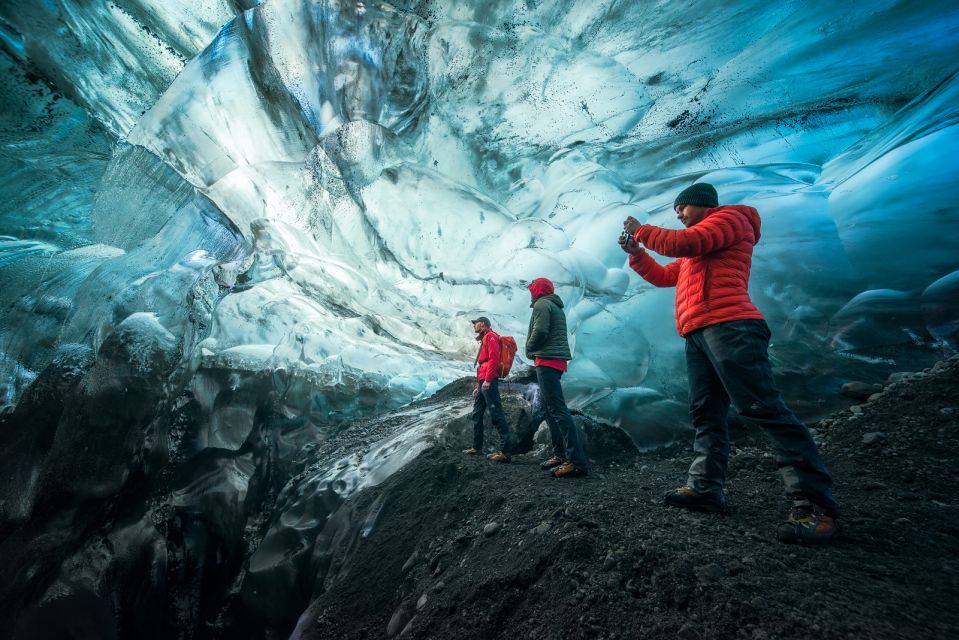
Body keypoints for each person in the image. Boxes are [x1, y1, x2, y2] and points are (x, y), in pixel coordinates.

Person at [619, 182, 839, 544]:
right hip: (699, 331)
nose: (678, 215)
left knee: (763, 408)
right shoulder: (700, 249)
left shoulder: (731, 220)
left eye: (682, 209)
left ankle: (815, 507)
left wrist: (640, 228)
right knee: (706, 412)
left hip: (731, 326)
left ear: (702, 205)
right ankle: (706, 488)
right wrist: (637, 252)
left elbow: (683, 242)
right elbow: (663, 276)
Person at [526, 278, 588, 478]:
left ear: (537, 290)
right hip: (554, 362)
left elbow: (541, 330)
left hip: (547, 361)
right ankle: (560, 454)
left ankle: (576, 462)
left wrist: (529, 348)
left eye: (532, 290)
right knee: (549, 409)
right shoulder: (554, 305)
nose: (530, 293)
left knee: (558, 410)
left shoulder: (542, 304)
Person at [464, 317, 512, 462]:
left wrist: (488, 380)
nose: (474, 324)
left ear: (483, 324)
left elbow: (493, 359)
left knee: (496, 413)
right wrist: (478, 385)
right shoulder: (485, 337)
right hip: (483, 382)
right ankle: (476, 447)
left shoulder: (491, 336)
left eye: (476, 322)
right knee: (477, 414)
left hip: (489, 381)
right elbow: (483, 365)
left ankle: (506, 452)